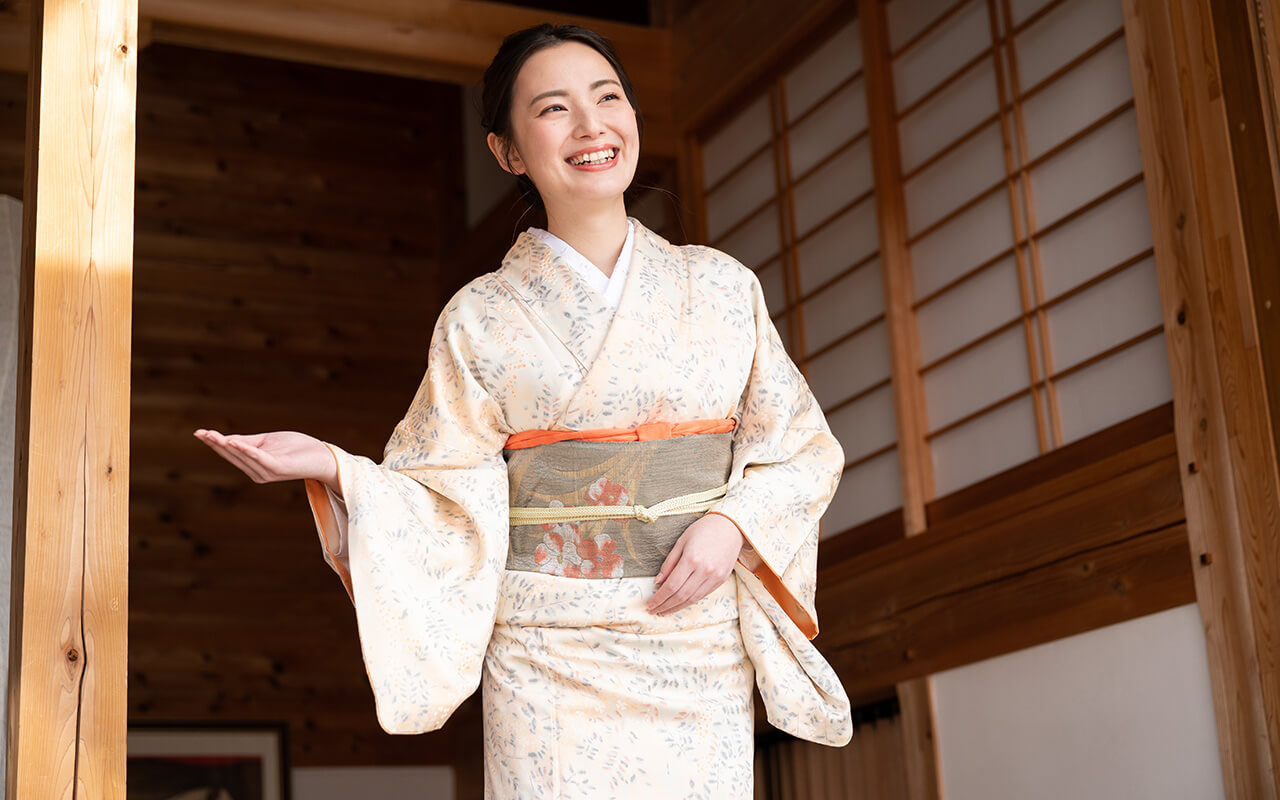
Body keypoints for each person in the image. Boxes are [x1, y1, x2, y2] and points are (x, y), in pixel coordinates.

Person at [195, 22, 852, 798]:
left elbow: (802, 447)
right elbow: (438, 490)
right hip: (547, 653)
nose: (591, 126)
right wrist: (336, 468)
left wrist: (733, 523)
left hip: (695, 641)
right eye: (553, 109)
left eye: (608, 98)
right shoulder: (479, 318)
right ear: (506, 150)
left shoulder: (720, 287)